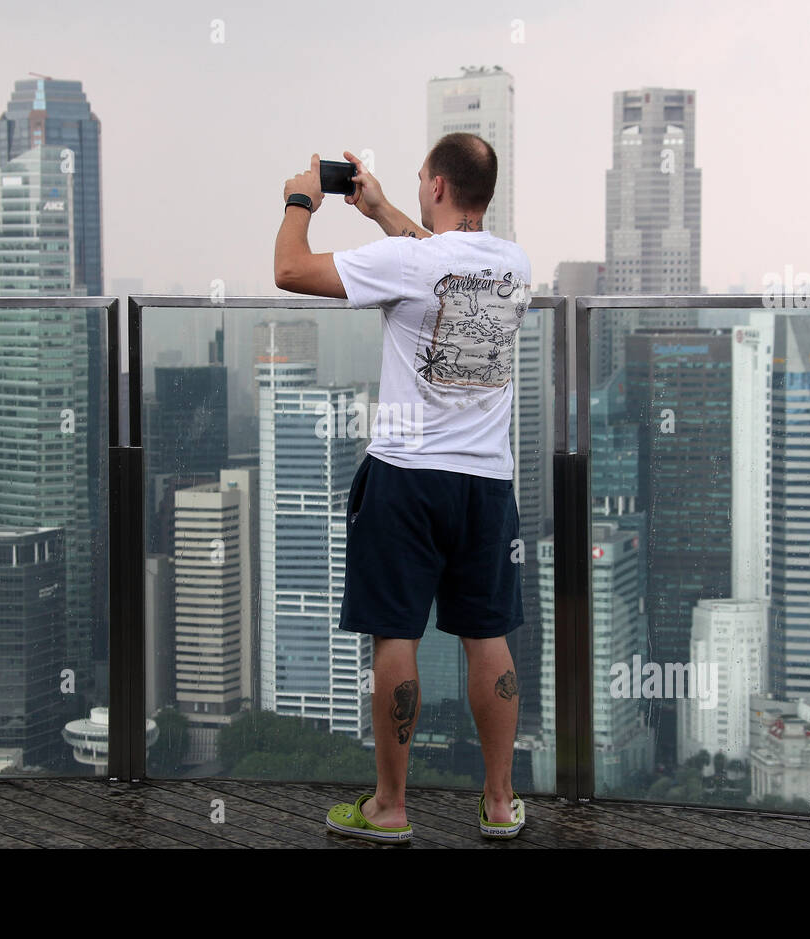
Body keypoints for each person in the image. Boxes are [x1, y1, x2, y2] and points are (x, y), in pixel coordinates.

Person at [273, 132, 531, 843]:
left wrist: (303, 198)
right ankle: (502, 802)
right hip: (486, 483)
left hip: (406, 479)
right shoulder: (514, 264)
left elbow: (289, 270)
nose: (417, 190)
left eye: (421, 180)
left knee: (397, 635)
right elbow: (440, 263)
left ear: (440, 187)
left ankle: (390, 806)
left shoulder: (409, 261)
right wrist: (382, 208)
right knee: (488, 635)